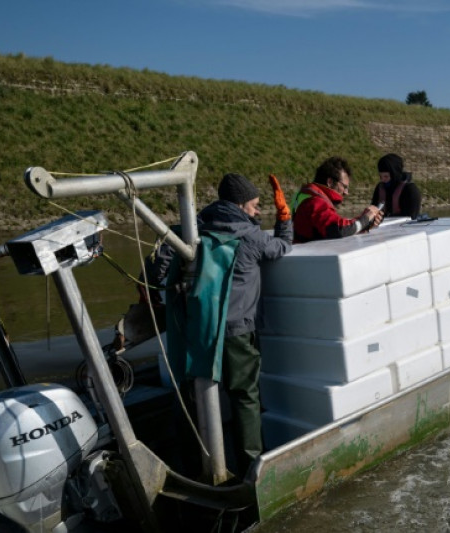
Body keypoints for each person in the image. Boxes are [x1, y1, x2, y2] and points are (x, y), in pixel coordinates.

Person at [144, 172, 293, 478]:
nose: (256, 212)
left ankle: (195, 466)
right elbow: (282, 247)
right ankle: (252, 466)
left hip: (196, 332)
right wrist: (285, 218)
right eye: (253, 206)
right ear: (239, 205)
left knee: (193, 395)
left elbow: (156, 269)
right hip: (237, 332)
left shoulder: (191, 230)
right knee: (244, 397)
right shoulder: (251, 237)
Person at [292, 156, 383, 243]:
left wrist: (366, 224)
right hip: (310, 256)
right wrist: (366, 218)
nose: (346, 192)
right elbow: (339, 229)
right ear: (330, 182)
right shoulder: (315, 202)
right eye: (344, 187)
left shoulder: (305, 195)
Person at [370, 153, 421, 219]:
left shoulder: (411, 190)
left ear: (394, 174)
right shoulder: (380, 188)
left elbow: (412, 216)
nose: (382, 180)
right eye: (380, 176)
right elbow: (372, 209)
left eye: (386, 176)